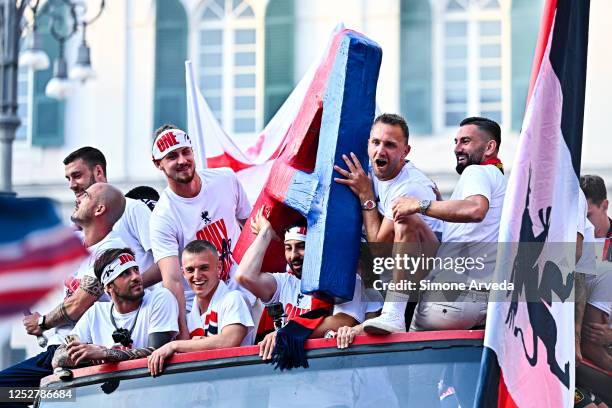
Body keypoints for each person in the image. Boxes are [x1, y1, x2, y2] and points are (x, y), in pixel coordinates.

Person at [340, 117, 507, 335]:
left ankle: (393, 313)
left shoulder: (476, 172)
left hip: (450, 301)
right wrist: (438, 206)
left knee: (407, 218)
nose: (457, 148)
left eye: (465, 141)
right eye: (455, 142)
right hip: (486, 305)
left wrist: (417, 205)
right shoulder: (500, 181)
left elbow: (475, 210)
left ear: (489, 147)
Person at [0, 183, 126, 391]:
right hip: (59, 351)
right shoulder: (78, 243)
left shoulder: (111, 249)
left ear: (99, 209)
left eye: (84, 195)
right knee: (12, 394)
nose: (77, 198)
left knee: (3, 392)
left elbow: (78, 304)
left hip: (78, 352)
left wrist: (41, 322)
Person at [234, 207, 381, 360]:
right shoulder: (284, 282)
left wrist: (285, 333)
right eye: (288, 248)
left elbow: (342, 321)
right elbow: (244, 276)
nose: (293, 255)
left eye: (301, 246)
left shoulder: (341, 278)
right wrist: (265, 232)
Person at [149, 125, 251, 339]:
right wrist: (184, 333)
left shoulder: (225, 179)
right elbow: (173, 280)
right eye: (172, 156)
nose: (182, 160)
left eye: (186, 151)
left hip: (242, 292)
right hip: (199, 311)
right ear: (158, 164)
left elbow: (252, 229)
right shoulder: (162, 216)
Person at [52, 248, 178, 368]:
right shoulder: (96, 312)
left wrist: (106, 354)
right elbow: (58, 358)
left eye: (136, 270)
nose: (136, 277)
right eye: (125, 274)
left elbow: (158, 351)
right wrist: (89, 354)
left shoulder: (160, 297)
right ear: (108, 286)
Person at [147, 240, 254, 376]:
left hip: (238, 385)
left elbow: (229, 340)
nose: (197, 276)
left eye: (204, 268)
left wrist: (175, 345)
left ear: (219, 267)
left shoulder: (233, 298)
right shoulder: (189, 317)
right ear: (183, 273)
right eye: (190, 270)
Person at [63, 147, 159, 287]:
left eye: (77, 175)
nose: (71, 185)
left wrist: (127, 290)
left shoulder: (132, 208)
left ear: (98, 171)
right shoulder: (81, 222)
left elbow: (164, 261)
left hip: (139, 306)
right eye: (68, 179)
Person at [579, 175, 612, 372]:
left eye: (589, 216)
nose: (585, 227)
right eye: (580, 219)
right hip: (584, 349)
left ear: (605, 205)